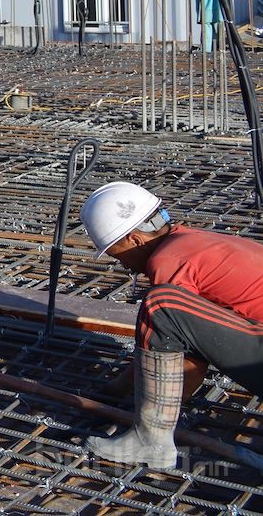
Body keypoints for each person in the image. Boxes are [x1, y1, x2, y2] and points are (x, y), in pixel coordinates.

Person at [80, 181, 263, 469]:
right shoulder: (196, 241)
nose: (124, 267)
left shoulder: (168, 260)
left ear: (135, 240)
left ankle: (150, 439)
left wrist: (120, 396)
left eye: (117, 255)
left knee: (161, 305)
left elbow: (184, 357)